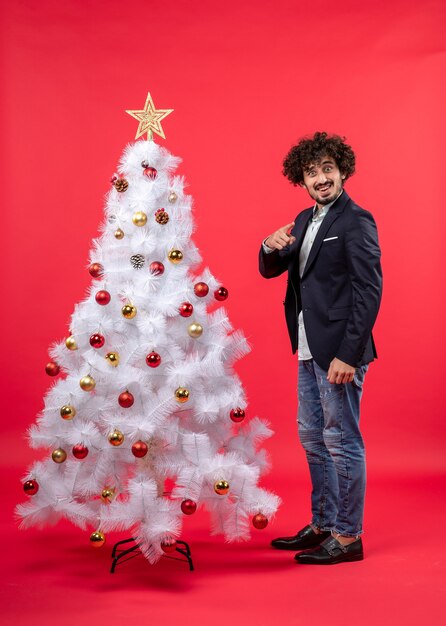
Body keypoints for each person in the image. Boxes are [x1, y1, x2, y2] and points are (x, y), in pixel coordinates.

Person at [259, 131, 382, 565]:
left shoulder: (356, 220)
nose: (321, 178)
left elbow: (369, 290)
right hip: (308, 347)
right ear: (302, 180)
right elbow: (276, 270)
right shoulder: (303, 218)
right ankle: (324, 524)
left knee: (342, 440)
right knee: (313, 438)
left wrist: (349, 355)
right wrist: (268, 247)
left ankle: (349, 538)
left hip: (339, 353)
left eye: (327, 169)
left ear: (343, 171)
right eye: (312, 173)